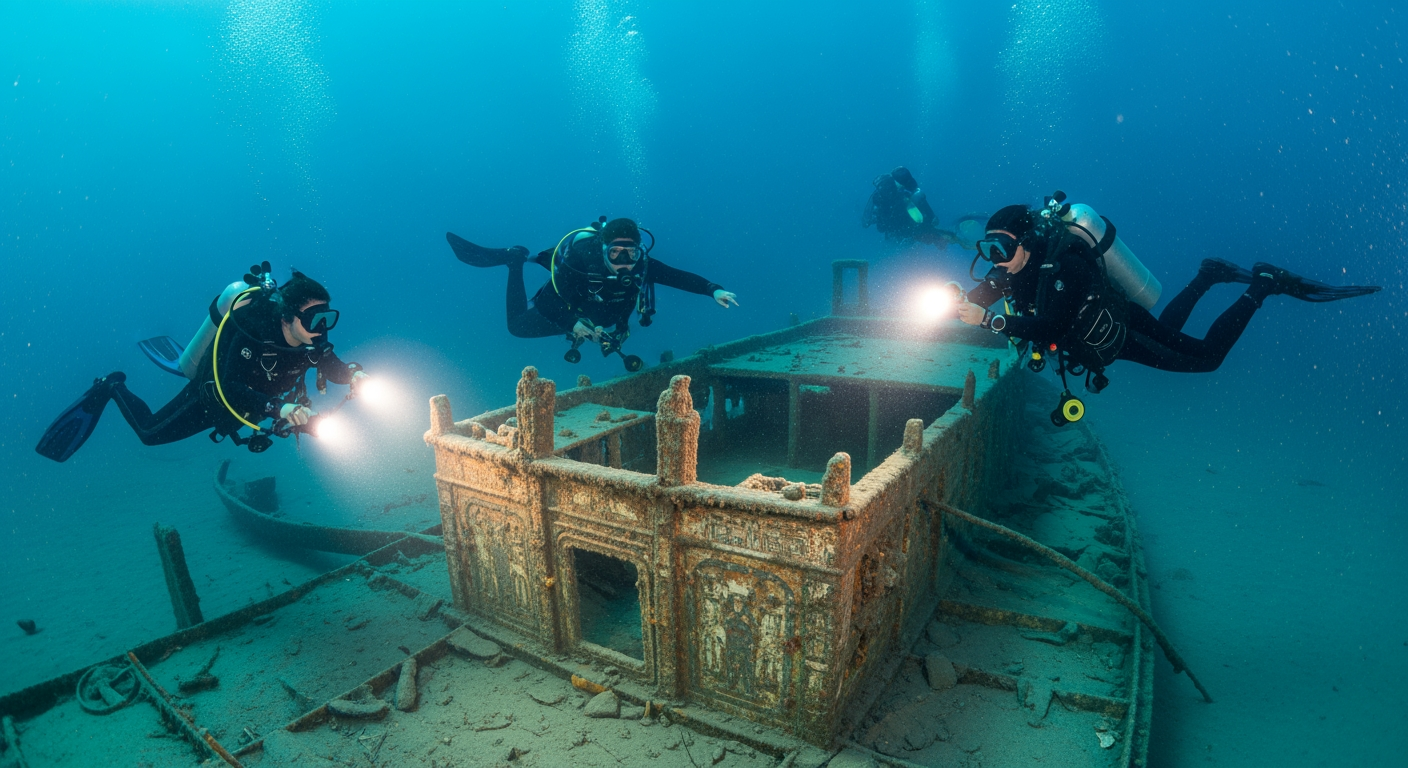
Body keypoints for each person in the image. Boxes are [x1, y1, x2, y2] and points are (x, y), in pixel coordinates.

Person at [956, 203, 1380, 385]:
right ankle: (1206, 277)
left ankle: (1262, 286)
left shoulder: (1064, 267)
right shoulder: (1012, 272)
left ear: (1027, 242)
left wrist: (991, 321)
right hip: (1112, 335)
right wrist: (962, 300)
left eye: (1004, 248)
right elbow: (982, 296)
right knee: (1164, 331)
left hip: (1120, 332)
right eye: (990, 249)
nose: (997, 258)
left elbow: (1053, 325)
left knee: (1206, 359)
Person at [35, 270, 369, 462]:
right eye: (314, 318)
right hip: (212, 400)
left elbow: (334, 365)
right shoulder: (251, 333)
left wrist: (355, 374)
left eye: (328, 318)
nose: (321, 328)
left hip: (262, 409)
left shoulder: (313, 344)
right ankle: (111, 386)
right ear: (287, 316)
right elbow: (230, 388)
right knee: (149, 434)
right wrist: (280, 408)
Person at [447, 217, 738, 345]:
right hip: (570, 305)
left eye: (631, 252)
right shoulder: (581, 262)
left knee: (609, 321)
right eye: (616, 252)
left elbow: (677, 277)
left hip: (600, 315)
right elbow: (548, 300)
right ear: (602, 250)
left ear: (640, 251)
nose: (624, 260)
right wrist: (572, 325)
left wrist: (713, 290)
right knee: (517, 327)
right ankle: (515, 261)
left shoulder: (643, 265)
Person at [862, 166, 956, 247]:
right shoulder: (897, 196)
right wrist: (930, 220)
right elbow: (915, 218)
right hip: (899, 229)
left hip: (895, 229)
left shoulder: (892, 193)